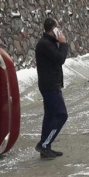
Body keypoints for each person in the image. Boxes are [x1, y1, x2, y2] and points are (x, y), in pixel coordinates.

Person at [35, 18, 69, 159]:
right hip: (50, 85)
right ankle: (44, 144)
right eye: (58, 28)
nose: (60, 31)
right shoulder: (45, 44)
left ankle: (46, 147)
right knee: (61, 115)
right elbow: (60, 58)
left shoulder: (48, 43)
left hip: (49, 84)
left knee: (50, 115)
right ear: (53, 29)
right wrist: (63, 44)